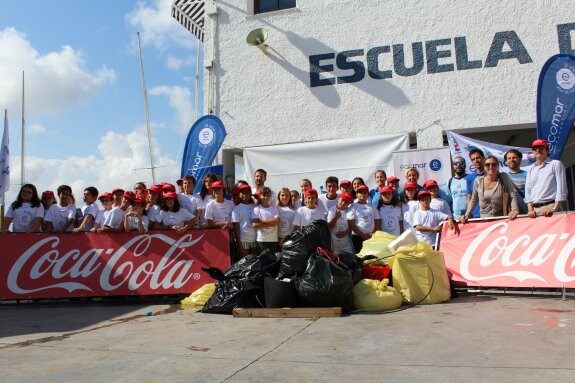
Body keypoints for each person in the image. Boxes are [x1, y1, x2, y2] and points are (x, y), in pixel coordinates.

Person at [460, 155, 519, 223]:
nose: (491, 167)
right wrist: (467, 214)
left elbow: (512, 194)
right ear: (484, 167)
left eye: (494, 164)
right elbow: (474, 199)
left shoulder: (503, 177)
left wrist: (515, 210)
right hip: (484, 222)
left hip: (501, 221)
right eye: (487, 165)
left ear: (498, 166)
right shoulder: (478, 181)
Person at [524, 138, 568, 218]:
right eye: (535, 148)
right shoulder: (531, 168)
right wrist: (530, 210)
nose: (537, 150)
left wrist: (555, 208)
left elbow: (561, 188)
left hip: (551, 207)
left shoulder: (556, 164)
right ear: (533, 151)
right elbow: (528, 190)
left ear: (547, 150)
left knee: (554, 231)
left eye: (541, 147)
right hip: (534, 211)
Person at [349, 184, 380, 253]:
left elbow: (377, 222)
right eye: (360, 192)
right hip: (357, 237)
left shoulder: (372, 207)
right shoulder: (352, 207)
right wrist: (362, 235)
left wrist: (373, 233)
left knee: (371, 257)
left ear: (368, 194)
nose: (363, 194)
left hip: (371, 237)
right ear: (356, 194)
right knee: (359, 258)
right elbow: (351, 224)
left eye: (365, 192)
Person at [252, 187, 280, 253]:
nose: (266, 197)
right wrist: (271, 223)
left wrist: (261, 221)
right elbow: (255, 225)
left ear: (270, 196)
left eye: (268, 195)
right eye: (264, 195)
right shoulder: (256, 209)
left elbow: (277, 221)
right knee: (263, 261)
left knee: (273, 261)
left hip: (273, 240)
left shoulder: (274, 209)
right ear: (260, 196)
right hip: (261, 240)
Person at [231, 184, 258, 257]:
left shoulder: (255, 207)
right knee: (244, 263)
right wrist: (239, 244)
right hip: (243, 240)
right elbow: (236, 229)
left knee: (255, 262)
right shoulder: (236, 209)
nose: (245, 194)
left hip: (255, 239)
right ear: (239, 195)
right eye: (243, 193)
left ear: (250, 194)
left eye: (247, 192)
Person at [504, 149, 528, 214]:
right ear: (506, 161)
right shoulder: (503, 177)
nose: (511, 160)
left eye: (514, 157)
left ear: (520, 160)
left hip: (527, 212)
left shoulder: (528, 175)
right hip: (511, 213)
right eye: (509, 158)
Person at [466, 148, 486, 218]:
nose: (476, 161)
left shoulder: (492, 174)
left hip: (491, 214)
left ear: (483, 158)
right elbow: (469, 197)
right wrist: (469, 214)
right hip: (476, 215)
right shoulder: (469, 178)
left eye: (478, 158)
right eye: (473, 159)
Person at [448, 156, 469, 220]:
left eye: (461, 163)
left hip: (470, 217)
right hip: (456, 219)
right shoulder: (450, 181)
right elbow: (449, 201)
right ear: (453, 166)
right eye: (456, 163)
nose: (458, 165)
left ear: (465, 165)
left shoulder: (470, 178)